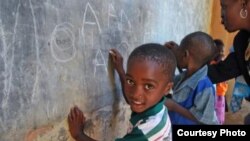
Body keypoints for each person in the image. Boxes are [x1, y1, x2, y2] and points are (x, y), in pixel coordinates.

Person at [68, 43, 176, 141]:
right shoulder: (156, 106)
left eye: (148, 86)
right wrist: (121, 71)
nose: (135, 94)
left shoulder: (148, 131)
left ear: (167, 88)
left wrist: (78, 135)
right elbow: (131, 100)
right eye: (131, 81)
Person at [207, 0, 250, 124]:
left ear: (244, 4)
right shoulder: (242, 41)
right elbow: (220, 71)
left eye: (224, 7)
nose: (221, 16)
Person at [164, 31, 219, 125]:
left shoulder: (205, 86)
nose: (176, 51)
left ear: (185, 55)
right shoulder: (184, 76)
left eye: (179, 50)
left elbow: (205, 119)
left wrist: (174, 107)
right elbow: (168, 81)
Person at [210, 39, 229, 125]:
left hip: (220, 94)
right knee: (216, 115)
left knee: (219, 116)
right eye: (220, 51)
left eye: (222, 51)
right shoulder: (212, 64)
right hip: (216, 94)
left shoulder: (223, 63)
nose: (222, 53)